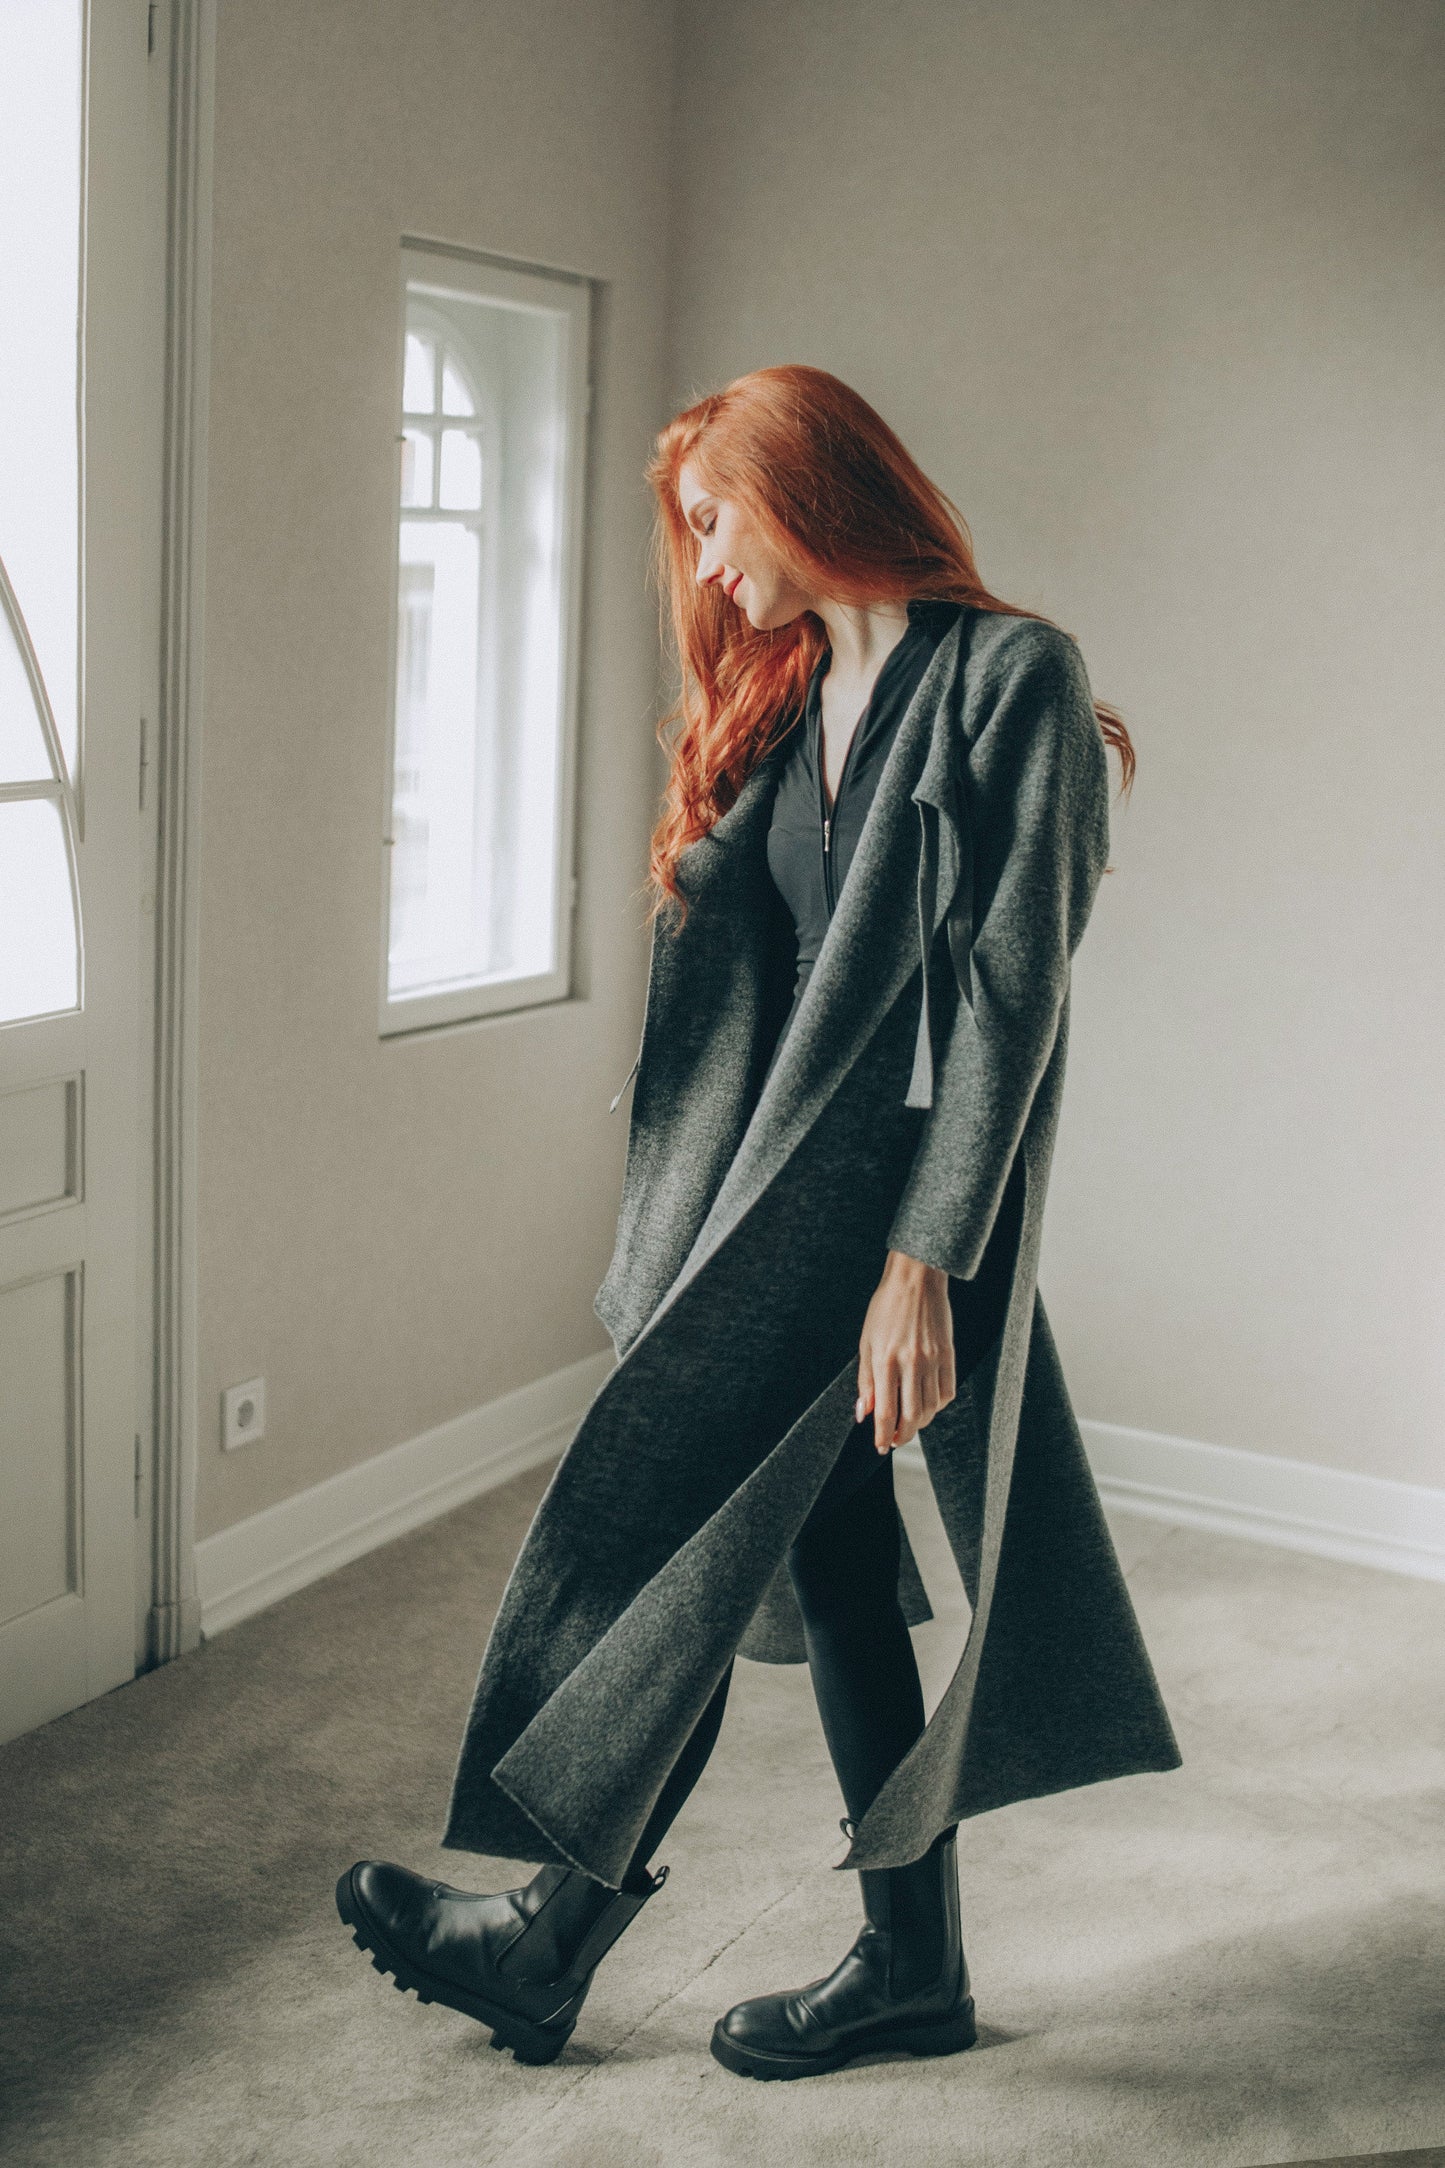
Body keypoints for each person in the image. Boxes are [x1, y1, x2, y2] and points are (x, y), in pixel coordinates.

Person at [336, 365, 1179, 2080]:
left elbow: (1009, 1000)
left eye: (713, 522)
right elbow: (748, 1000)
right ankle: (897, 1967)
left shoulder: (1008, 677)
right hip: (758, 1218)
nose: (706, 567)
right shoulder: (789, 697)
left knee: (713, 1552)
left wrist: (917, 1266)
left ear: (801, 490)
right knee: (823, 1565)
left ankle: (560, 1941)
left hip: (882, 1223)